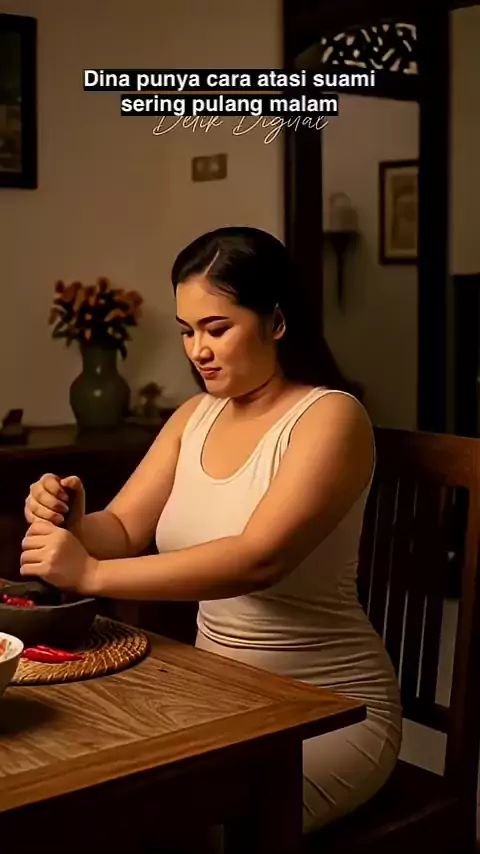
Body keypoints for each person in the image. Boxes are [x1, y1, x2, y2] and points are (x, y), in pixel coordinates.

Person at [21, 226, 402, 833]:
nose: (198, 350)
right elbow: (123, 526)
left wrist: (90, 573)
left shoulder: (330, 416)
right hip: (217, 697)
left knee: (174, 827)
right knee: (79, 798)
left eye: (217, 328)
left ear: (277, 321)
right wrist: (73, 520)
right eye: (187, 330)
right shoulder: (194, 415)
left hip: (330, 707)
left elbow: (258, 559)